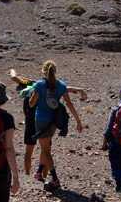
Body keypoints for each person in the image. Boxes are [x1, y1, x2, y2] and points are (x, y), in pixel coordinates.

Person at [9, 61, 86, 192]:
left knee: (45, 150)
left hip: (41, 120)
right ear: (55, 71)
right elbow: (69, 104)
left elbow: (32, 104)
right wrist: (78, 121)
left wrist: (33, 95)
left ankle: (55, 179)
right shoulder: (60, 85)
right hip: (53, 122)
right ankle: (39, 173)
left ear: (43, 71)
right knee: (46, 147)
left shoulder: (38, 84)